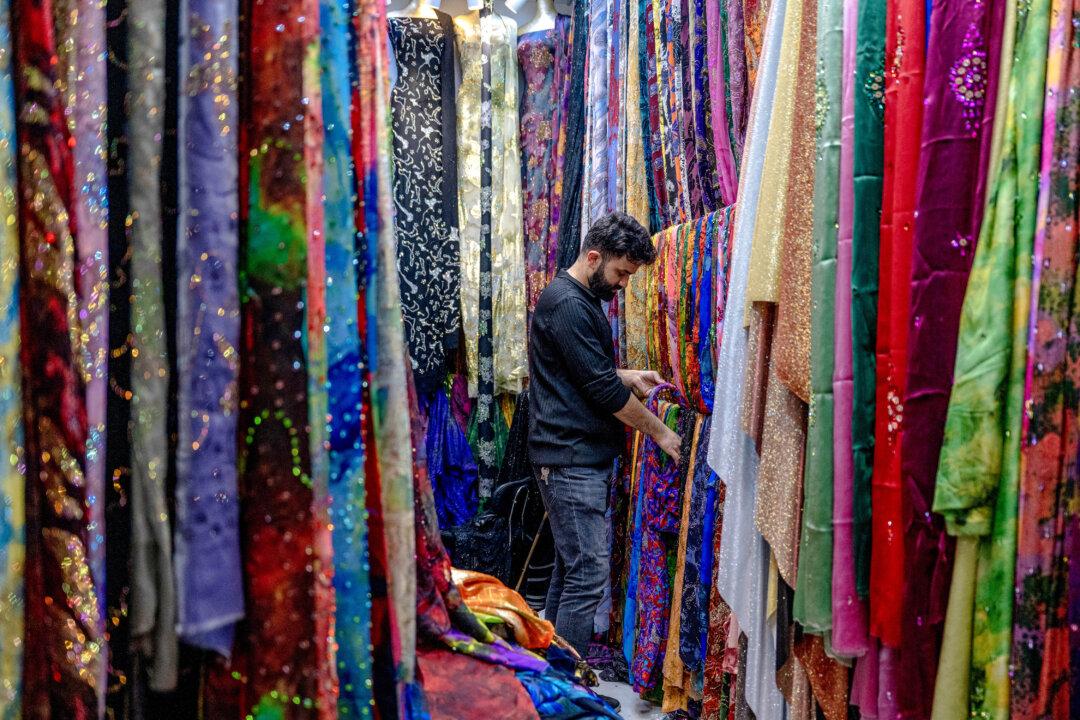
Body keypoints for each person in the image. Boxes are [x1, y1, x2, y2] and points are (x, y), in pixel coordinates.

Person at [528, 212, 681, 667]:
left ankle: (552, 677)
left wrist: (628, 375)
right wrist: (662, 433)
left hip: (572, 457)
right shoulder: (570, 303)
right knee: (587, 576)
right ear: (594, 257)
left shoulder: (575, 298)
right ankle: (573, 689)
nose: (622, 285)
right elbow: (602, 391)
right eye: (620, 273)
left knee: (569, 571)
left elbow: (581, 372)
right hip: (569, 459)